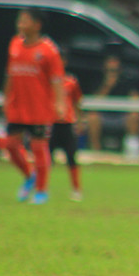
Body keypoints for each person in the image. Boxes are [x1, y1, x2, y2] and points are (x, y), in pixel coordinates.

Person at [1, 8, 66, 204]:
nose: (20, 23)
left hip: (39, 108)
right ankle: (30, 175)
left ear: (37, 25)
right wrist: (5, 98)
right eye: (20, 20)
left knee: (39, 147)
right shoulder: (14, 44)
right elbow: (10, 74)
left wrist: (60, 103)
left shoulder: (48, 50)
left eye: (25, 20)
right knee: (11, 146)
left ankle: (41, 191)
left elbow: (57, 80)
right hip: (17, 106)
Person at [86, 54, 139, 158]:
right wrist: (107, 86)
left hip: (121, 116)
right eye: (110, 70)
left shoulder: (126, 81)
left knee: (134, 116)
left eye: (115, 70)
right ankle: (96, 151)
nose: (112, 73)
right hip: (103, 116)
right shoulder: (97, 80)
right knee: (92, 117)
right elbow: (94, 102)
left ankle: (132, 151)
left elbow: (135, 97)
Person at [49, 69, 84, 201]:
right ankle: (41, 189)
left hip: (67, 123)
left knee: (71, 157)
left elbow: (77, 102)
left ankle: (76, 189)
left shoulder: (71, 81)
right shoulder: (46, 80)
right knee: (46, 159)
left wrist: (80, 120)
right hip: (50, 123)